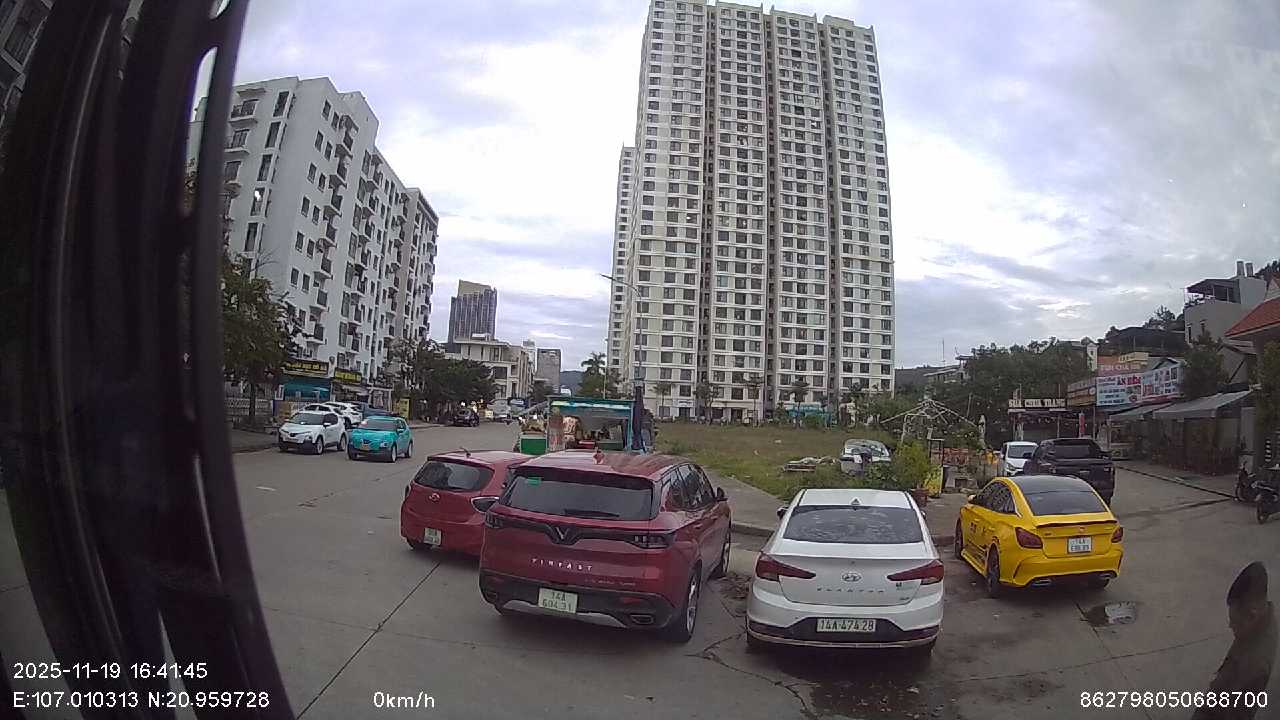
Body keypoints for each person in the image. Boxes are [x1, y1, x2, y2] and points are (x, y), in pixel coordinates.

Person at [1191, 562, 1276, 720]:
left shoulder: (1255, 667)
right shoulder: (1259, 622)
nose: (1230, 625)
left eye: (1235, 622)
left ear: (1251, 615)